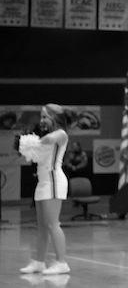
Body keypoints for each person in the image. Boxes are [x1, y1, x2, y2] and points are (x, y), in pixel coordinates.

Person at [20, 104, 76, 275]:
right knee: (42, 226)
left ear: (55, 118)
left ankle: (61, 262)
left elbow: (48, 140)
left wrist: (29, 142)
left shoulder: (61, 134)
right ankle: (38, 262)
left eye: (45, 117)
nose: (42, 120)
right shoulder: (47, 135)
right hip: (42, 182)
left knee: (53, 224)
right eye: (41, 117)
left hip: (53, 181)